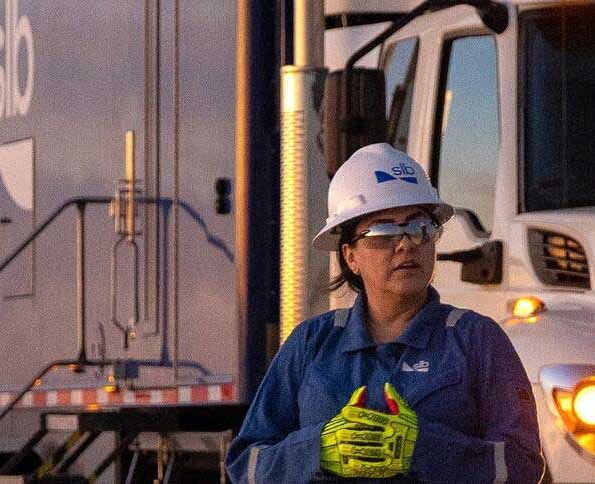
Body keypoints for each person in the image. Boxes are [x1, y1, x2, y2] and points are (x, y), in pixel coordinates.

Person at [227, 144, 544, 483]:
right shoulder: (311, 343)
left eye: (420, 228)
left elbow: (523, 466)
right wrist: (318, 450)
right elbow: (245, 464)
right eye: (384, 231)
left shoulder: (475, 339)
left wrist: (423, 449)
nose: (407, 244)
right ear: (350, 256)